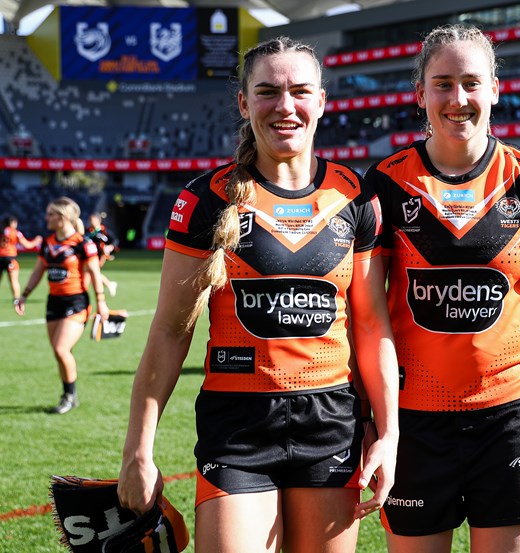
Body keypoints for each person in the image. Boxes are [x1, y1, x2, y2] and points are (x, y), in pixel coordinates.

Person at [117, 37, 399, 552]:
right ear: (244, 103)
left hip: (331, 423)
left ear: (322, 100)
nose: (285, 106)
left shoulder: (356, 197)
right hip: (237, 427)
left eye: (300, 91)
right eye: (267, 92)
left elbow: (372, 326)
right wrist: (138, 451)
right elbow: (169, 331)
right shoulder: (205, 200)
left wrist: (388, 434)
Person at [364, 24, 520, 553]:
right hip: (415, 421)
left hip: (509, 417)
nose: (458, 99)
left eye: (472, 83)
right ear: (420, 94)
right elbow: (367, 316)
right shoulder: (384, 182)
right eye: (443, 83)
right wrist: (372, 420)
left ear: (495, 88)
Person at [14, 197, 110, 414]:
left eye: (50, 214)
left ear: (63, 217)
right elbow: (39, 270)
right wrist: (24, 295)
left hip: (76, 302)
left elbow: (95, 273)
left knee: (61, 348)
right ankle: (69, 393)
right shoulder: (48, 243)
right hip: (53, 302)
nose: (46, 218)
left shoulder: (83, 244)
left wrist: (101, 302)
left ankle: (69, 396)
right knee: (60, 352)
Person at [1, 215, 41, 305]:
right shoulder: (15, 232)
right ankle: (16, 299)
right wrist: (36, 241)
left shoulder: (1, 231)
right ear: (12, 223)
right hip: (9, 258)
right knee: (14, 280)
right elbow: (28, 245)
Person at [85, 212, 118, 296]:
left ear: (98, 220)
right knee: (92, 272)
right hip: (90, 255)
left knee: (93, 272)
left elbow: (114, 241)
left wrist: (110, 247)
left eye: (92, 219)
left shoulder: (104, 231)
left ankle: (107, 286)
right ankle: (109, 285)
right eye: (90, 220)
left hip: (100, 255)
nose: (91, 221)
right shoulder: (88, 231)